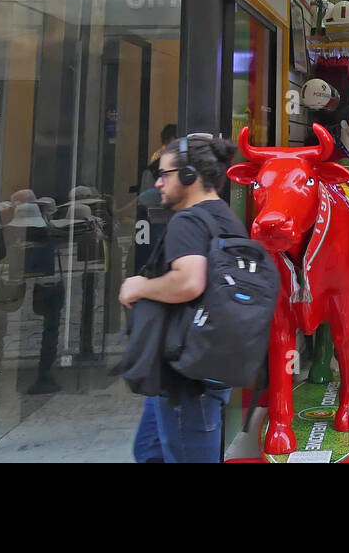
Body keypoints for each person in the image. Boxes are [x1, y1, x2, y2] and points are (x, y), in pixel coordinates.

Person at [121, 133, 244, 463]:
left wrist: (138, 287)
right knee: (150, 450)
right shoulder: (224, 216)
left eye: (165, 174)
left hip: (188, 375)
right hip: (204, 362)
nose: (159, 183)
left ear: (190, 176)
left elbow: (189, 282)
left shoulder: (188, 222)